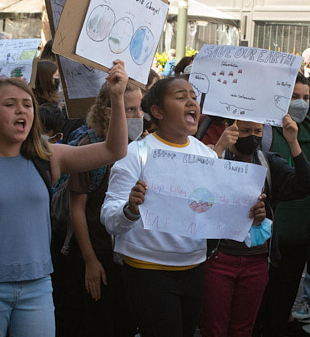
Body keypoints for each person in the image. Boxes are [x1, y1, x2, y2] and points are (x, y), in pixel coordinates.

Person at [0, 60, 129, 337]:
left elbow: (114, 150)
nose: (21, 110)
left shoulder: (49, 157)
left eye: (27, 104)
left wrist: (117, 97)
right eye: (9, 104)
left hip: (37, 288)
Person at [100, 76, 265, 337]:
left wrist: (250, 217)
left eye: (193, 96)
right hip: (148, 271)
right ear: (157, 111)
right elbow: (109, 219)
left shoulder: (208, 156)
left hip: (195, 270)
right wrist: (130, 209)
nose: (191, 102)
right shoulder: (135, 154)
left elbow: (219, 215)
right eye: (180, 97)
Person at [200, 115, 310, 337]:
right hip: (218, 258)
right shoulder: (215, 156)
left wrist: (293, 143)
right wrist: (219, 148)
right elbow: (197, 195)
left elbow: (304, 184)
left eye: (257, 131)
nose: (252, 137)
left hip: (256, 262)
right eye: (245, 130)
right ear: (231, 129)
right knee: (214, 329)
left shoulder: (269, 163)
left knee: (243, 330)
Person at [62, 82, 143, 336]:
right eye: (130, 110)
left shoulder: (142, 147)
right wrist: (90, 261)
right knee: (100, 322)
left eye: (140, 108)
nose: (138, 116)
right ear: (109, 112)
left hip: (130, 256)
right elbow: (77, 209)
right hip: (98, 252)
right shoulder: (90, 145)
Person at [254, 72, 310, 337]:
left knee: (282, 304)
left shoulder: (306, 129)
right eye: (295, 97)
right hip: (267, 238)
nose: (301, 103)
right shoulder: (261, 131)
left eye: (306, 97)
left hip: (300, 237)